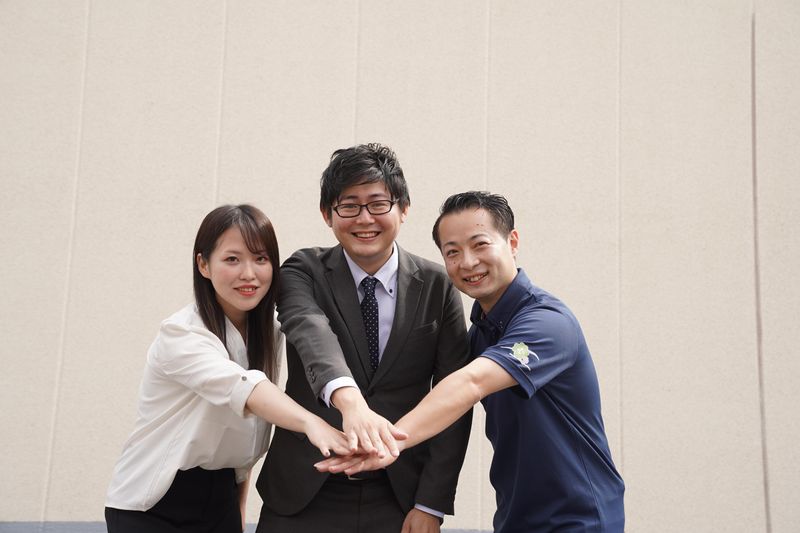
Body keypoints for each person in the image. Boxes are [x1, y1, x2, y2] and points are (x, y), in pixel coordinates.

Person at [317, 191, 626, 532]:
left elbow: (471, 383)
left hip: (578, 518)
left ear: (512, 242)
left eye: (480, 245)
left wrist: (390, 442)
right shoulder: (481, 332)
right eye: (452, 252)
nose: (467, 262)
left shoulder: (547, 323)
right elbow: (451, 404)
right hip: (516, 517)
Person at [256, 144, 473, 533]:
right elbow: (311, 330)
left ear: (403, 209)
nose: (364, 219)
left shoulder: (437, 286)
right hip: (303, 491)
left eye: (378, 204)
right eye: (349, 206)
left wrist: (431, 503)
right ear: (327, 214)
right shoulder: (303, 270)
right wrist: (350, 402)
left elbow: (454, 397)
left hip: (399, 496)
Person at [105, 204, 350, 533]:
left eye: (260, 259)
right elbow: (244, 388)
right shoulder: (181, 334)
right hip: (151, 505)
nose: (248, 273)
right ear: (203, 265)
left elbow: (241, 436)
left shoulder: (270, 329)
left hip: (221, 500)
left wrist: (238, 506)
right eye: (232, 259)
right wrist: (311, 423)